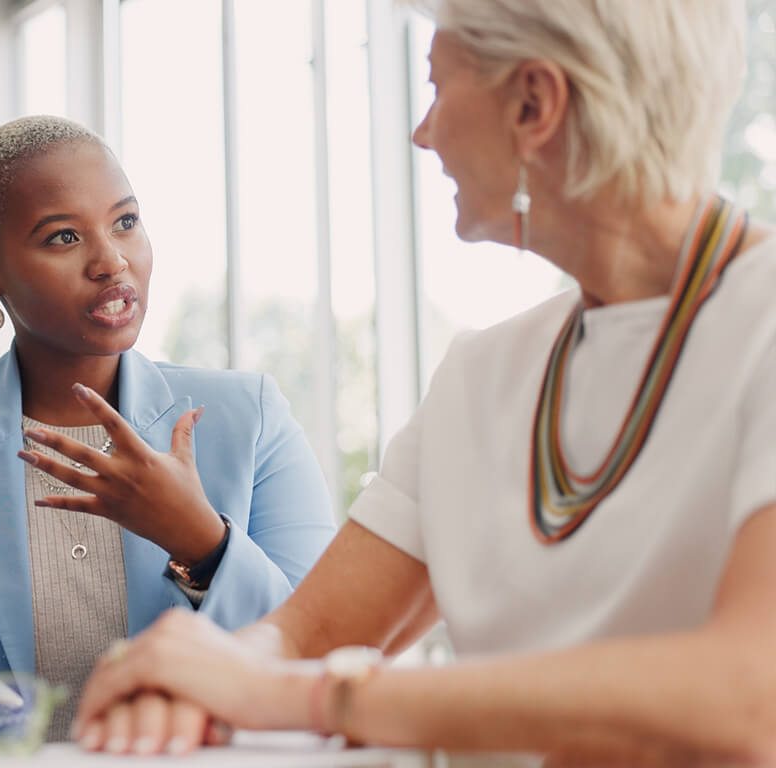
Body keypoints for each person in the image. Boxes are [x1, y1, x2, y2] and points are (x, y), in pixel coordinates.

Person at [68, 1, 776, 764]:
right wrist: (191, 684)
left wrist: (315, 697)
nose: (423, 133)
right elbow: (308, 634)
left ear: (534, 104)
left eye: (437, 89)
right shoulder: (484, 372)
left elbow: (749, 695)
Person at [0, 115, 336, 740]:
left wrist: (202, 542)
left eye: (126, 221)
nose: (111, 261)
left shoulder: (250, 416)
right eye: (62, 238)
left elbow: (324, 640)